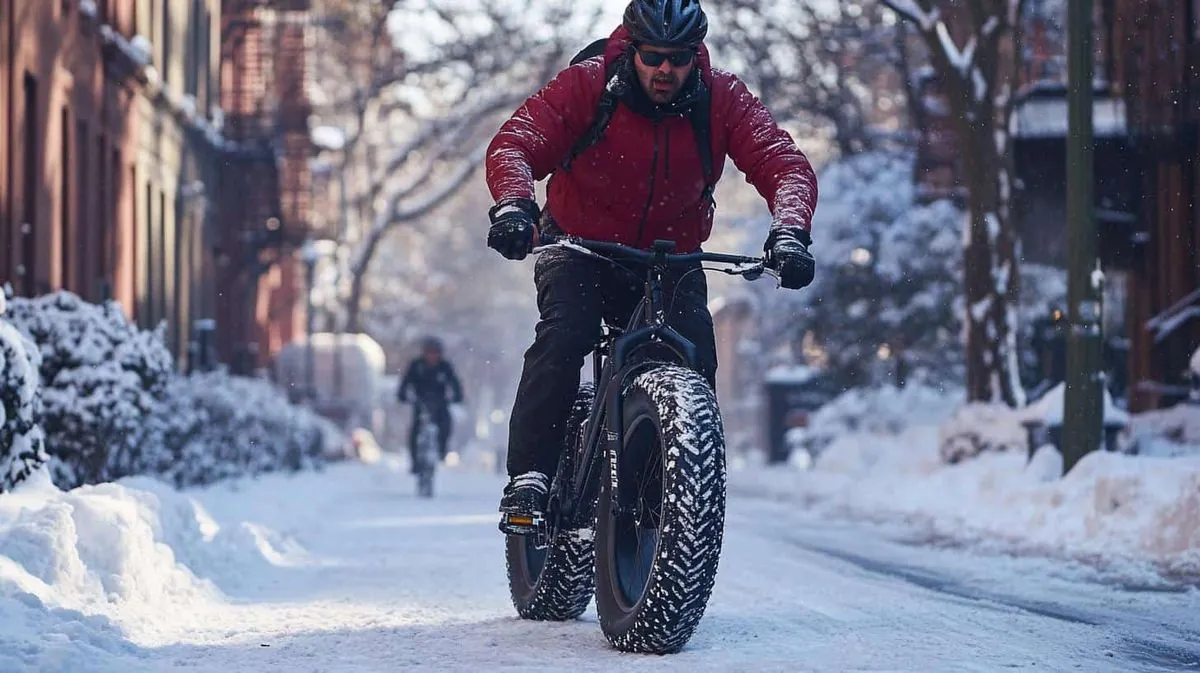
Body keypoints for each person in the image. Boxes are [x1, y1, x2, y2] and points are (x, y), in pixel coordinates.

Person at [484, 0, 819, 524]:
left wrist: (791, 232)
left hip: (670, 258)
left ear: (696, 55)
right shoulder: (586, 86)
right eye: (654, 56)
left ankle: (673, 494)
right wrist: (513, 206)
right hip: (578, 246)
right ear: (632, 47)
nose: (666, 70)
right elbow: (515, 145)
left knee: (693, 357)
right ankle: (530, 480)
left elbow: (784, 163)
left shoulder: (721, 98)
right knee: (566, 333)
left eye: (680, 58)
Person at [397, 337, 464, 471]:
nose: (432, 356)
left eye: (435, 353)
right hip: (420, 402)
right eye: (429, 352)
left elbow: (455, 383)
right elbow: (406, 382)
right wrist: (403, 395)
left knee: (445, 424)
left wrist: (457, 397)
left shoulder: (445, 366)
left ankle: (441, 451)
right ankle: (415, 461)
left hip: (440, 403)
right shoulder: (416, 365)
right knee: (415, 430)